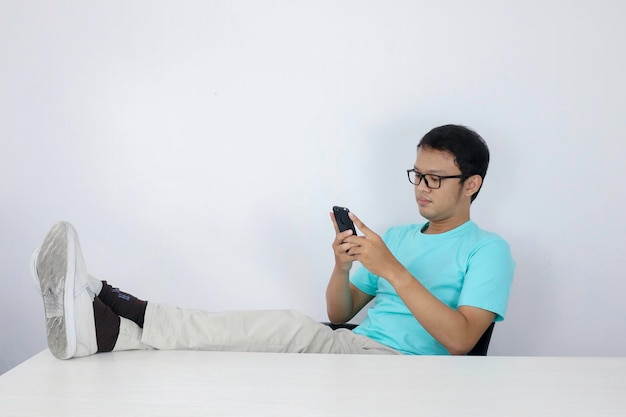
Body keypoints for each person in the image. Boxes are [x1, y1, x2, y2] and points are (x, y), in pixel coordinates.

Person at [30, 124, 514, 359]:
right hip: (354, 350)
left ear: (470, 184)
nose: (421, 188)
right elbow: (342, 313)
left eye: (435, 179)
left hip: (404, 371)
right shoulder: (399, 236)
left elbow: (461, 340)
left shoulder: (488, 250)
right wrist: (342, 267)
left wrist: (391, 269)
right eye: (417, 175)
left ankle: (115, 305)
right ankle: (112, 328)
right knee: (256, 341)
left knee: (282, 326)